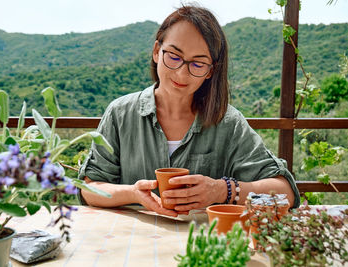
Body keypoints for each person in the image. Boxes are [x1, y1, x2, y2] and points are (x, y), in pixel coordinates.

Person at [78, 4, 300, 217]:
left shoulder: (228, 123)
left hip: (205, 244)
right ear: (157, 52)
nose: (182, 74)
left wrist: (222, 190)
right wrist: (133, 193)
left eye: (198, 64)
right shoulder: (120, 114)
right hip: (132, 243)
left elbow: (285, 192)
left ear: (211, 71)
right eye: (174, 57)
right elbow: (89, 188)